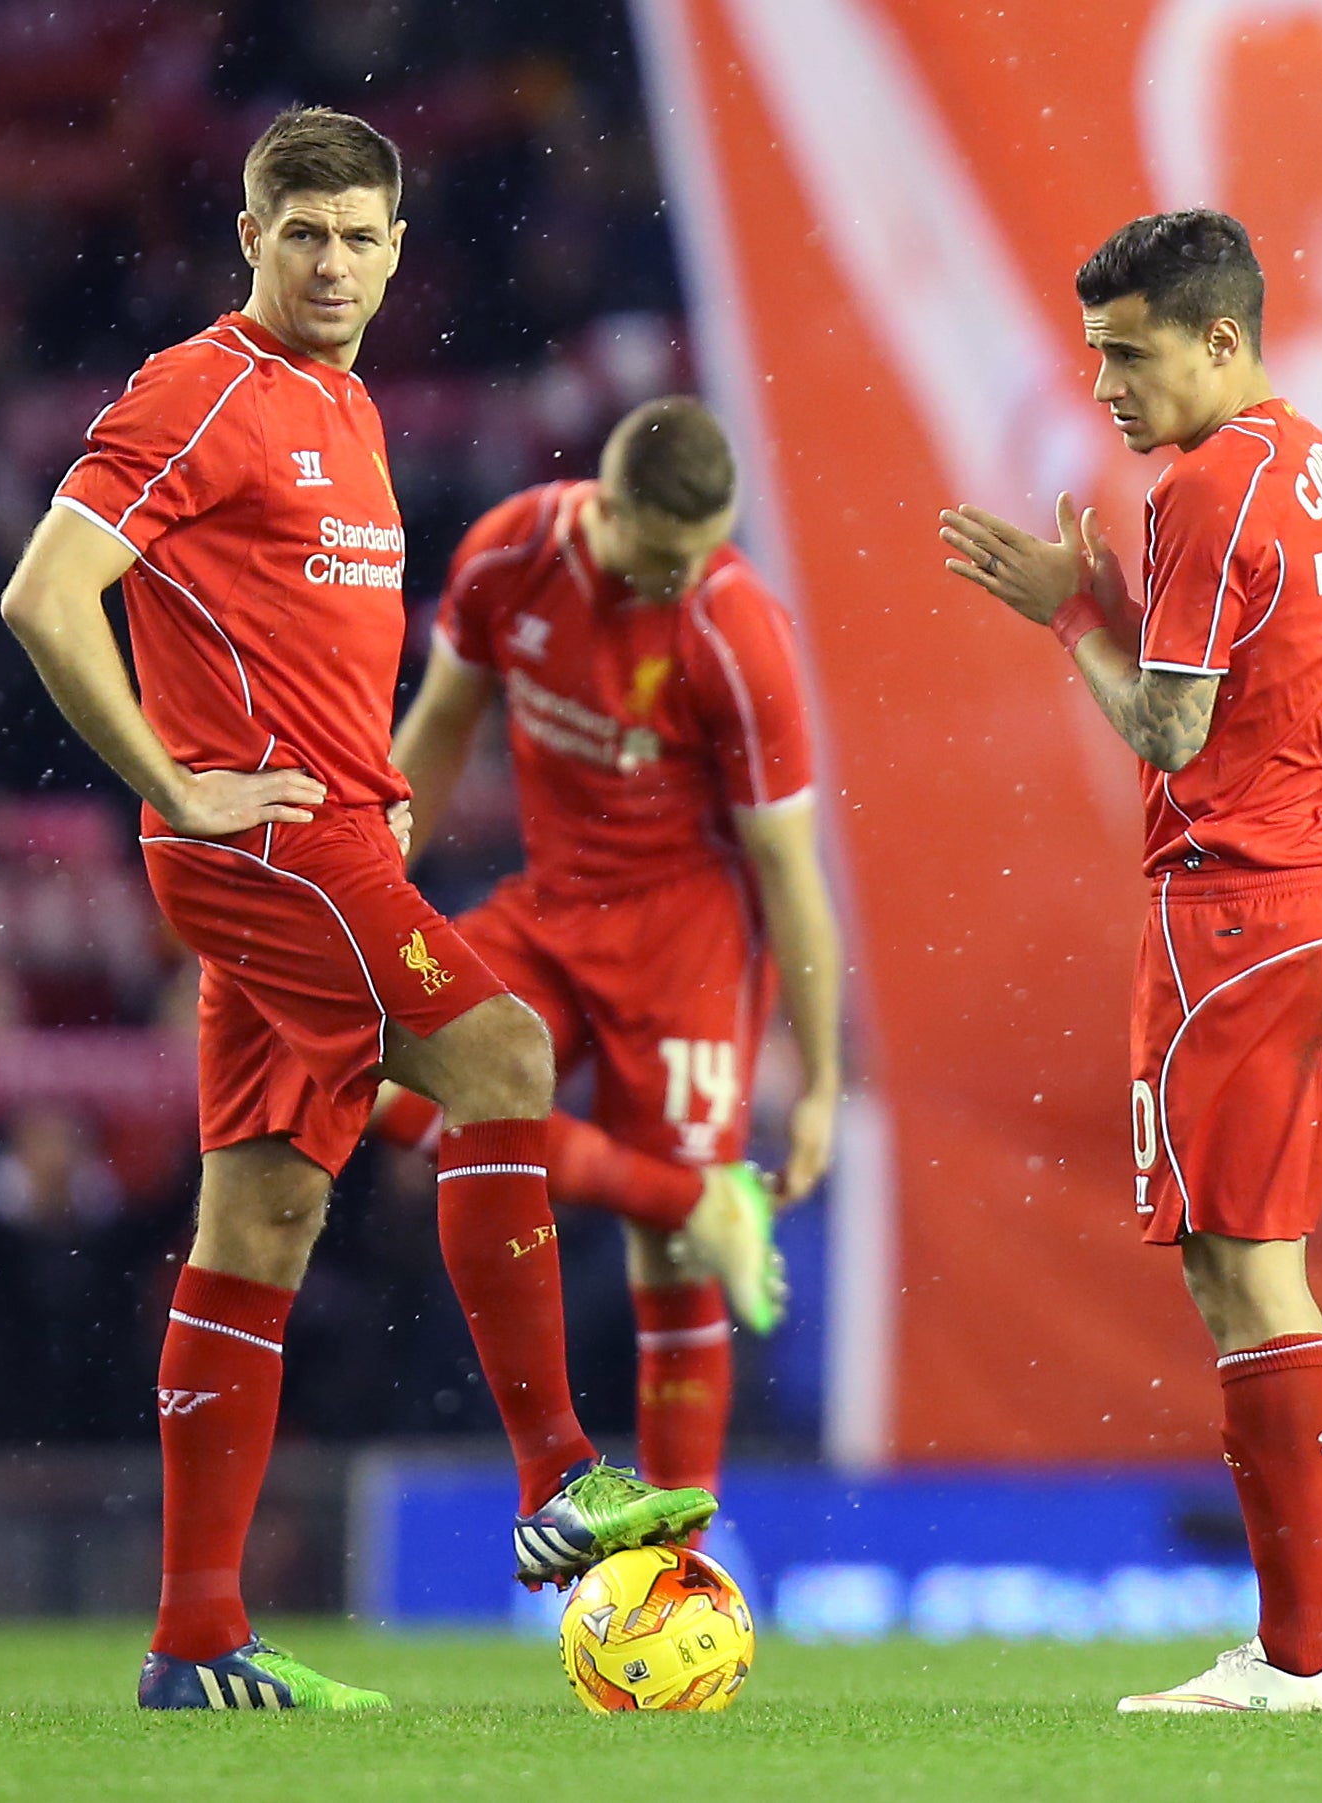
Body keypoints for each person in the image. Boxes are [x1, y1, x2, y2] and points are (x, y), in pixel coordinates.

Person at [0, 105, 731, 1713]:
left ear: (398, 253)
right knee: (505, 1058)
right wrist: (176, 781)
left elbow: (291, 631)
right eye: (301, 232)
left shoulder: (347, 405)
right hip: (268, 846)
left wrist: (378, 776)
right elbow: (46, 592)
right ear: (248, 238)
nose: (330, 262)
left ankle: (194, 1639)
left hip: (332, 835)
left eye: (358, 236)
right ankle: (558, 1473)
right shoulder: (203, 389)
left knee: (259, 1219)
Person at [941, 209, 1322, 1715]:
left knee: (1248, 1272)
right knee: (1249, 1264)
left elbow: (1169, 730)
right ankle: (1300, 1646)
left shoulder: (1199, 488)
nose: (1107, 390)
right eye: (1092, 360)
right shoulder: (1319, 459)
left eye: (1129, 355)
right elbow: (1256, 659)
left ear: (1220, 339)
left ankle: (1307, 1657)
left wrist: (1071, 615)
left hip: (1242, 910)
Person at [368, 395, 842, 1518]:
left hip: (687, 943)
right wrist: (371, 898)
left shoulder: (739, 631)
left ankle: (675, 1577)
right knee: (385, 1075)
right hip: (549, 911)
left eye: (707, 548)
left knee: (666, 1265)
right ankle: (692, 1196)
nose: (688, 573)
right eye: (665, 553)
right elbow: (438, 727)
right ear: (606, 509)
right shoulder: (510, 554)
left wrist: (819, 1079)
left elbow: (788, 867)